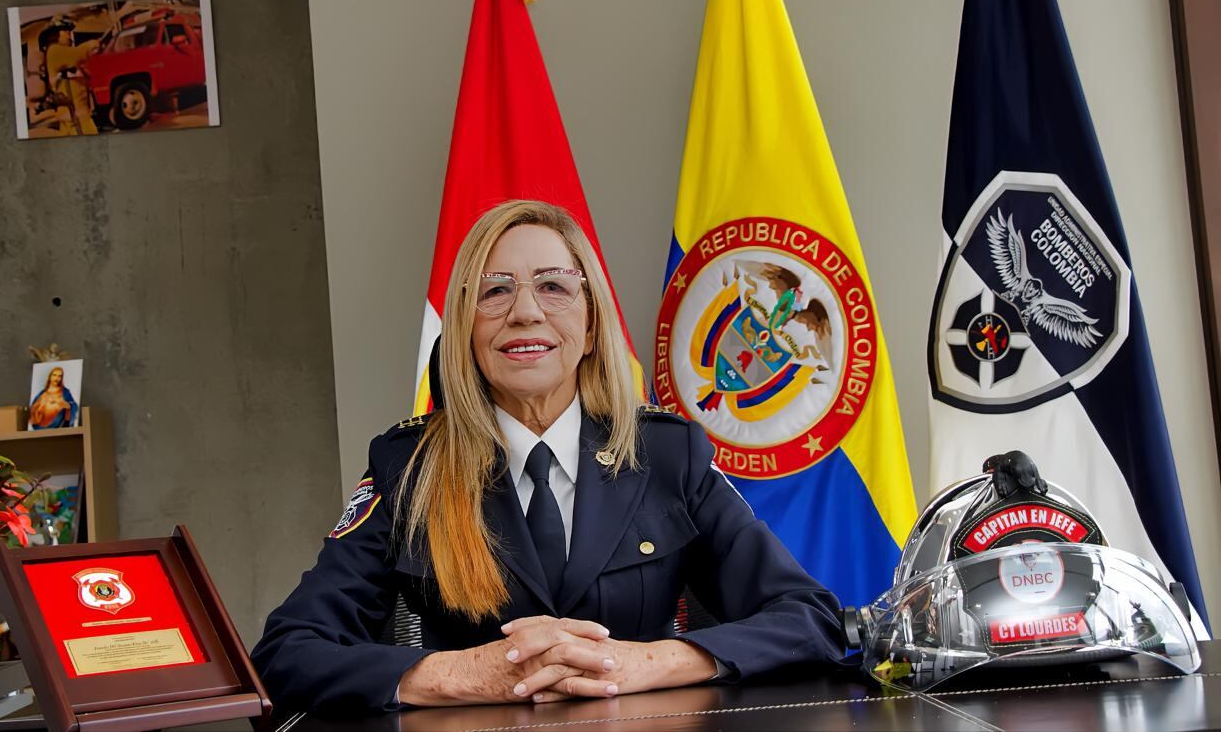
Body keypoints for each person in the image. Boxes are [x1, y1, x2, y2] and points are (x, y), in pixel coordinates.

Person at [252, 200, 846, 715]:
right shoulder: (407, 468)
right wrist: (461, 675)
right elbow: (288, 651)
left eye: (554, 286)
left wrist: (646, 662)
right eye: (495, 290)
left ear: (590, 327)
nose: (526, 312)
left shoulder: (668, 455)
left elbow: (810, 618)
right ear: (463, 330)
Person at [43, 19, 100, 135]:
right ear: (56, 34)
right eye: (65, 31)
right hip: (76, 115)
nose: (69, 34)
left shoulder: (60, 52)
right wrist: (94, 43)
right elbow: (78, 54)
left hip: (73, 113)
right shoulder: (55, 50)